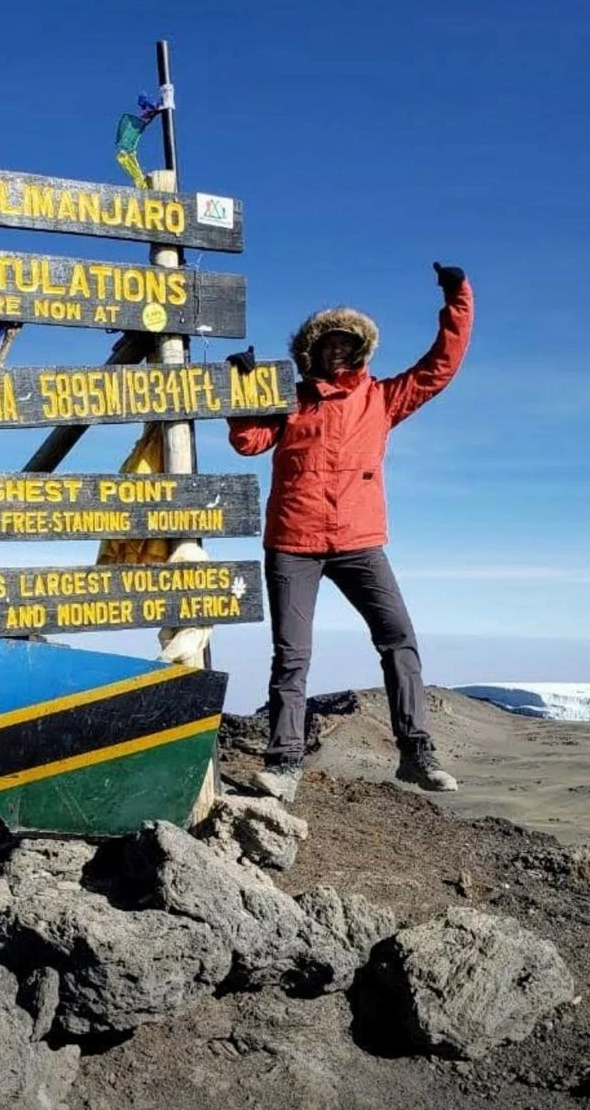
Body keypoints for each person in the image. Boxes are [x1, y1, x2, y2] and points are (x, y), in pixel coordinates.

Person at [227, 263, 474, 803]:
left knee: (398, 640)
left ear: (360, 352)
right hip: (293, 542)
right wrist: (243, 388)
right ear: (311, 352)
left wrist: (458, 296)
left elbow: (441, 366)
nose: (337, 352)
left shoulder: (381, 398)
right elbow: (247, 443)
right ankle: (285, 763)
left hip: (360, 542)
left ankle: (416, 751)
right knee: (292, 655)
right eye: (328, 344)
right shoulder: (291, 400)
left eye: (347, 344)